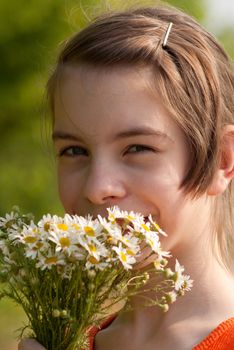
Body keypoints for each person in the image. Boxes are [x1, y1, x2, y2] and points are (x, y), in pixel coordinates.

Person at [19, 3, 234, 350]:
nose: (97, 188)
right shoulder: (68, 341)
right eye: (75, 151)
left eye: (137, 148)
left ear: (222, 160)